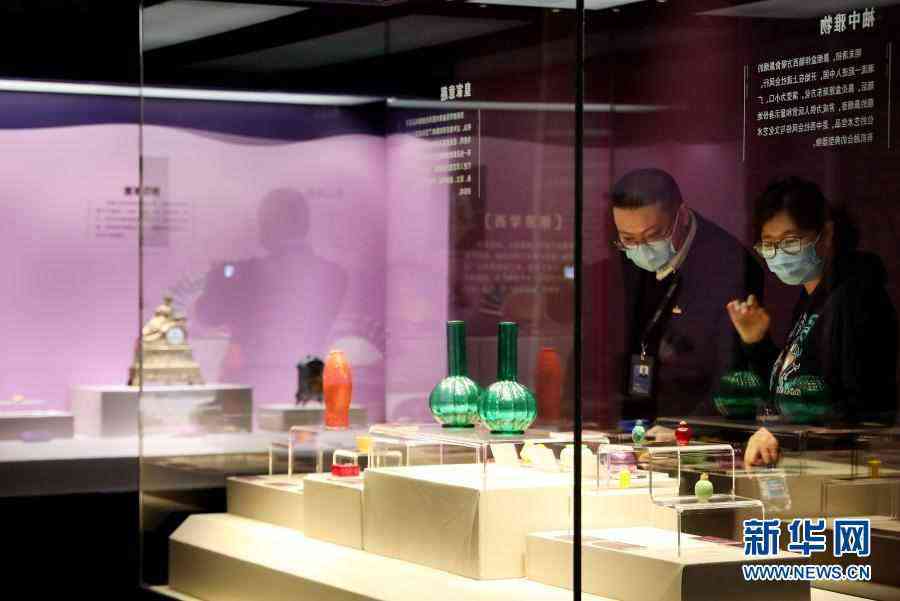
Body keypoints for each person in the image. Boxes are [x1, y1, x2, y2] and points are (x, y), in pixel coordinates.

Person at [728, 177, 898, 468]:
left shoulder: (855, 297)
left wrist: (782, 432)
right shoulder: (811, 300)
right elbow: (791, 389)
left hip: (844, 467)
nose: (779, 254)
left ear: (826, 234)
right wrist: (756, 341)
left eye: (790, 241)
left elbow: (857, 404)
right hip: (807, 462)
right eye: (769, 244)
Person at [610, 168, 763, 424]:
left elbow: (732, 375)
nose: (642, 249)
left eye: (653, 236)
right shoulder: (628, 258)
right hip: (649, 416)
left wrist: (685, 428)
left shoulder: (729, 265)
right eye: (628, 239)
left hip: (707, 423)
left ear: (681, 216)